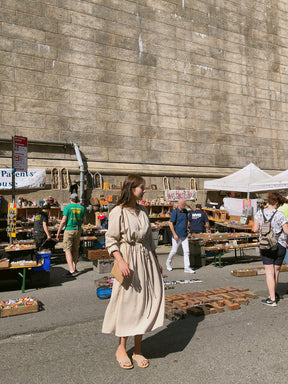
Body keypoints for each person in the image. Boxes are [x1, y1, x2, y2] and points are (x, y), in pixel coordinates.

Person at [102, 175, 164, 370]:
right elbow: (110, 240)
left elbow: (149, 240)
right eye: (141, 188)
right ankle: (121, 348)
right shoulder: (118, 212)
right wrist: (120, 261)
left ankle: (137, 349)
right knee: (127, 305)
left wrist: (156, 259)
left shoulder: (143, 210)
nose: (144, 191)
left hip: (146, 261)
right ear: (131, 189)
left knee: (145, 304)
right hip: (128, 260)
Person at [253, 192, 288, 307]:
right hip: (280, 245)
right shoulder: (281, 215)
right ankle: (274, 294)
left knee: (269, 272)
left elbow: (255, 229)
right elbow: (287, 231)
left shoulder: (259, 213)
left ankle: (272, 299)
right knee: (276, 271)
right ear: (276, 203)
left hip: (266, 245)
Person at [56, 193, 87, 277]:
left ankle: (71, 270)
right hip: (78, 230)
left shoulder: (67, 207)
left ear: (70, 199)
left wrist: (58, 233)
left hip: (69, 230)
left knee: (67, 250)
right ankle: (74, 267)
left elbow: (63, 221)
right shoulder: (82, 208)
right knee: (75, 249)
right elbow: (85, 221)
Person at [166, 198, 195, 273]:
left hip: (184, 234)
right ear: (178, 204)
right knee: (174, 251)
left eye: (184, 204)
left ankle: (187, 267)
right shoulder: (175, 212)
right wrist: (174, 234)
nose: (183, 205)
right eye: (182, 204)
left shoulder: (185, 211)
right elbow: (171, 223)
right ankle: (168, 263)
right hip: (177, 235)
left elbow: (186, 221)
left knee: (186, 251)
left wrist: (187, 228)